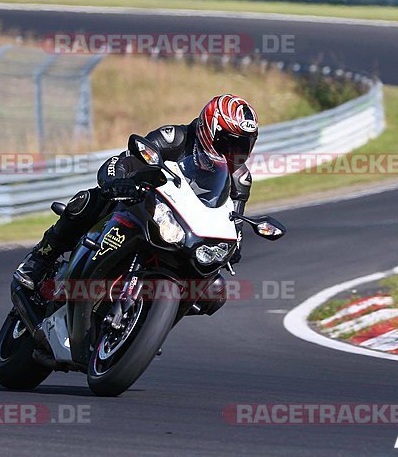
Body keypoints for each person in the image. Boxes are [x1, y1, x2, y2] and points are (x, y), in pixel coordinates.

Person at [13, 94, 259, 312]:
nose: (234, 150)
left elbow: (234, 223)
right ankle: (40, 258)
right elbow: (124, 162)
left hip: (184, 234)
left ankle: (146, 325)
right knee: (89, 201)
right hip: (144, 206)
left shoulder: (240, 178)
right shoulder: (175, 138)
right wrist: (120, 181)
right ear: (209, 129)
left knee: (214, 291)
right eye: (229, 142)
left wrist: (232, 249)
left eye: (243, 144)